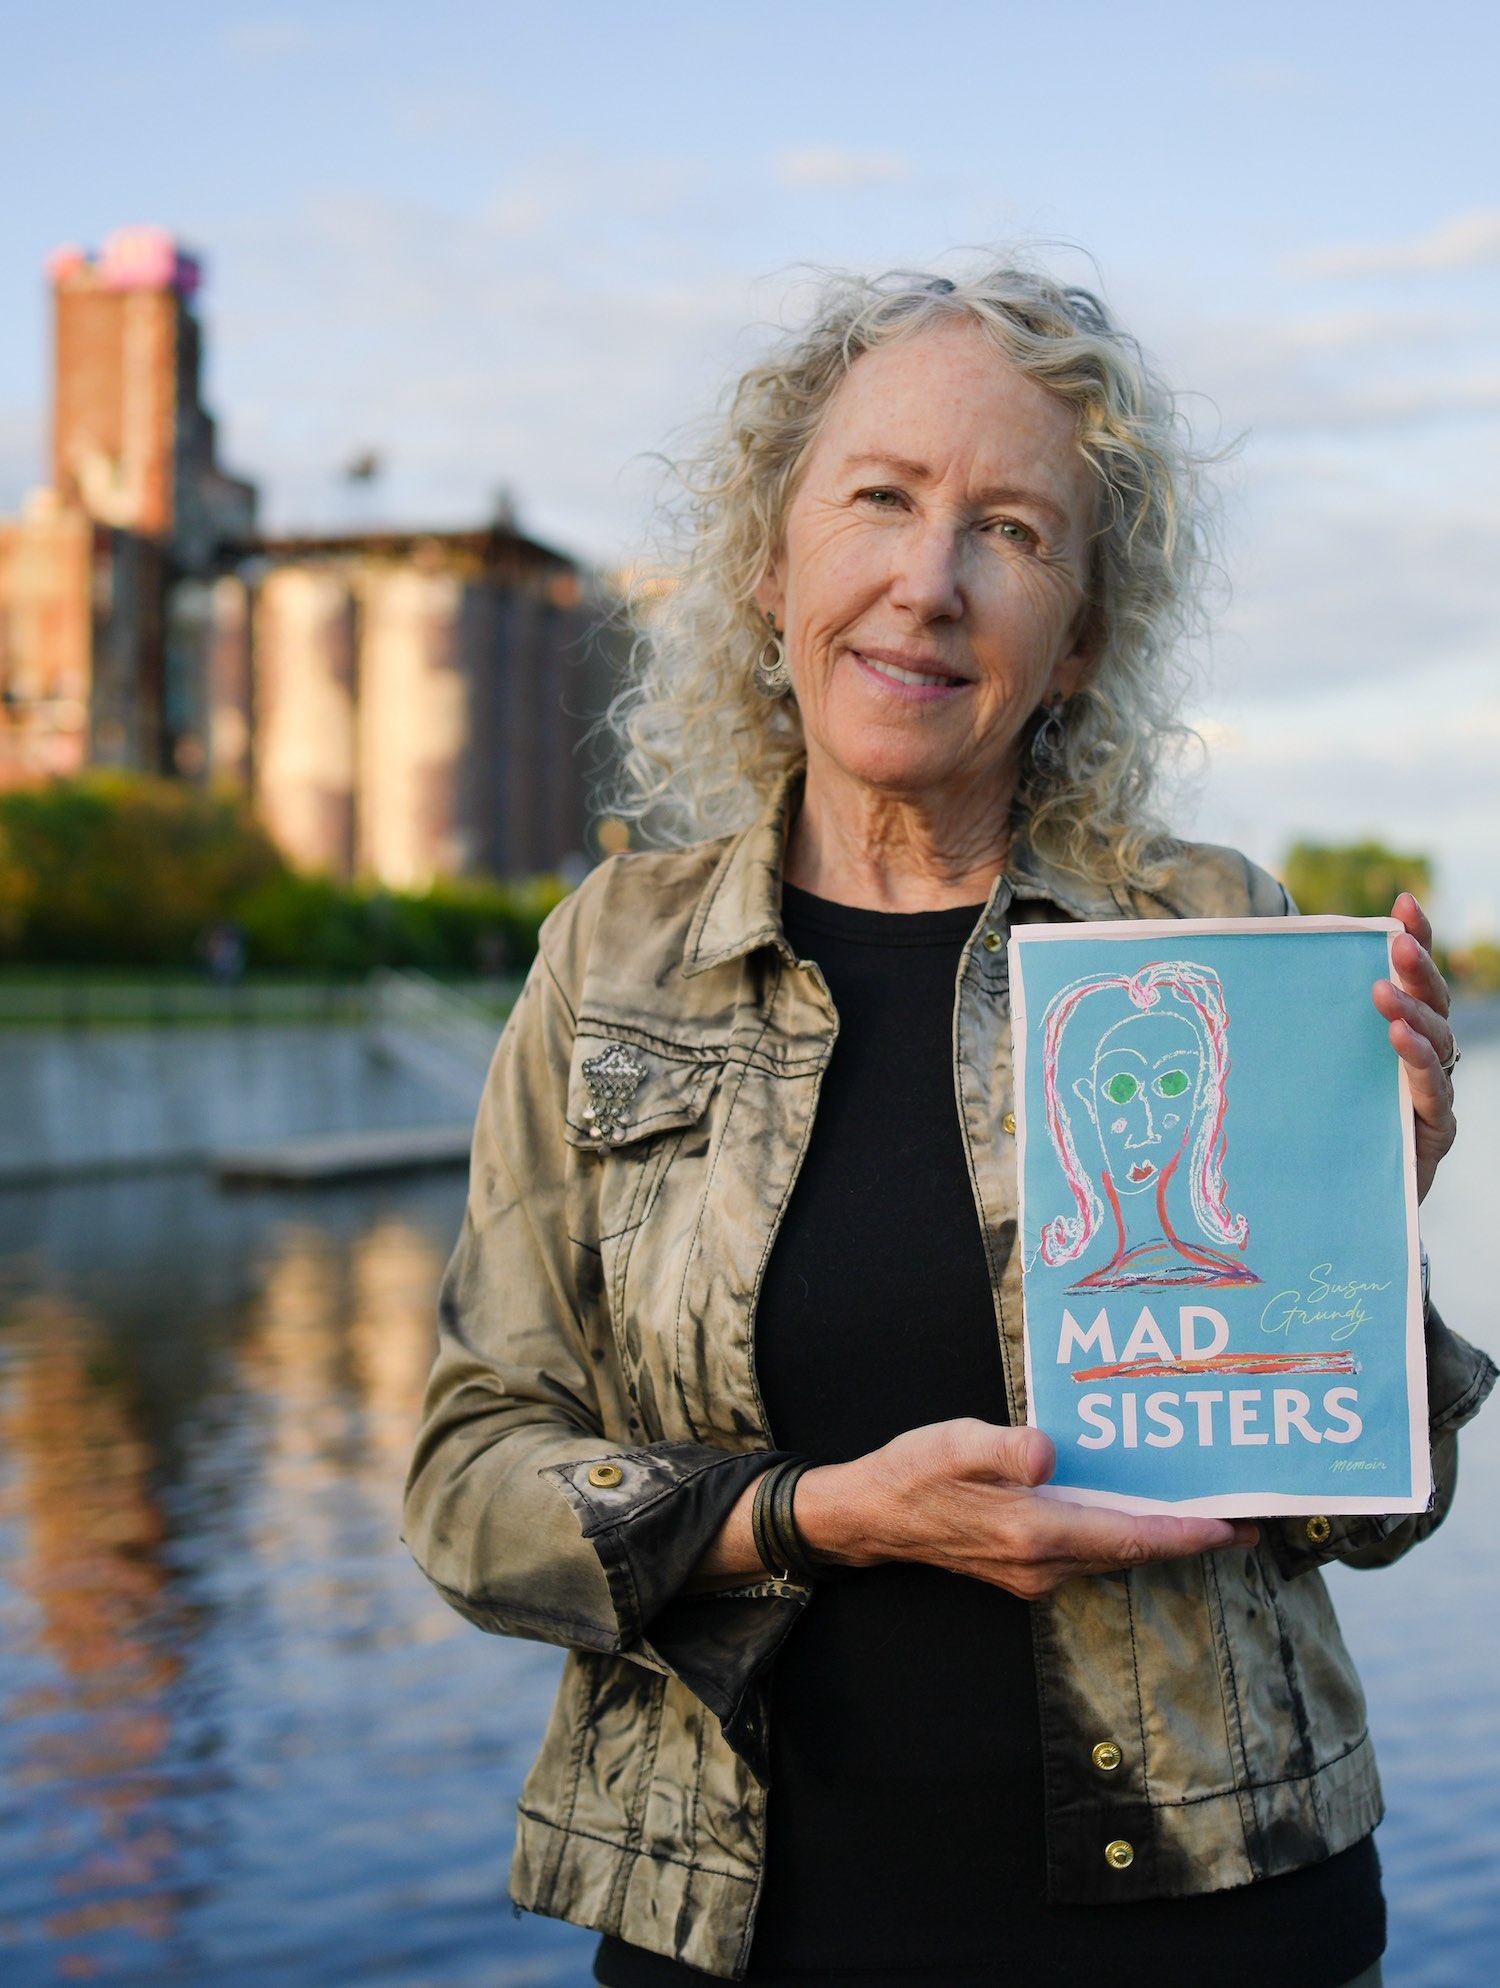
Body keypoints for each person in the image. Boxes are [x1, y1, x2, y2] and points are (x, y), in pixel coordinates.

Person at [402, 261, 1493, 1988]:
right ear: (772, 567)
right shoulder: (608, 959)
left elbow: (1363, 1512)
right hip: (742, 1937)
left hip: (1218, 1930)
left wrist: (1370, 1224)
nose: (929, 583)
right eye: (882, 502)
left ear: (1080, 645)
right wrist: (817, 1515)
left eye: (1011, 531)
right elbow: (470, 1490)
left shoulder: (1213, 935)